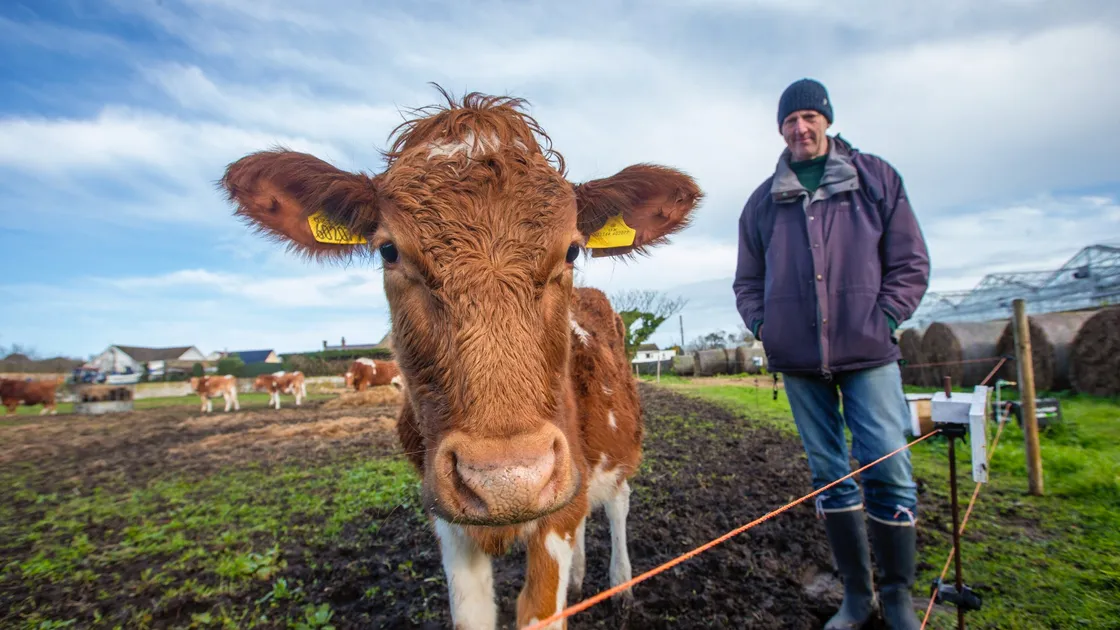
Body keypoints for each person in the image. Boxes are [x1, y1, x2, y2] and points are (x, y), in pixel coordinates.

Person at [732, 78, 931, 629]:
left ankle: (897, 598)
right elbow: (747, 280)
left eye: (809, 118)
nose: (800, 128)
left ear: (826, 120)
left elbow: (910, 261)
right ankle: (857, 596)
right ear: (780, 129)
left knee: (887, 463)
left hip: (868, 353)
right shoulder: (763, 202)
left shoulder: (875, 179)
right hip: (798, 359)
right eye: (789, 121)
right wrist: (766, 326)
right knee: (828, 473)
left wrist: (884, 317)